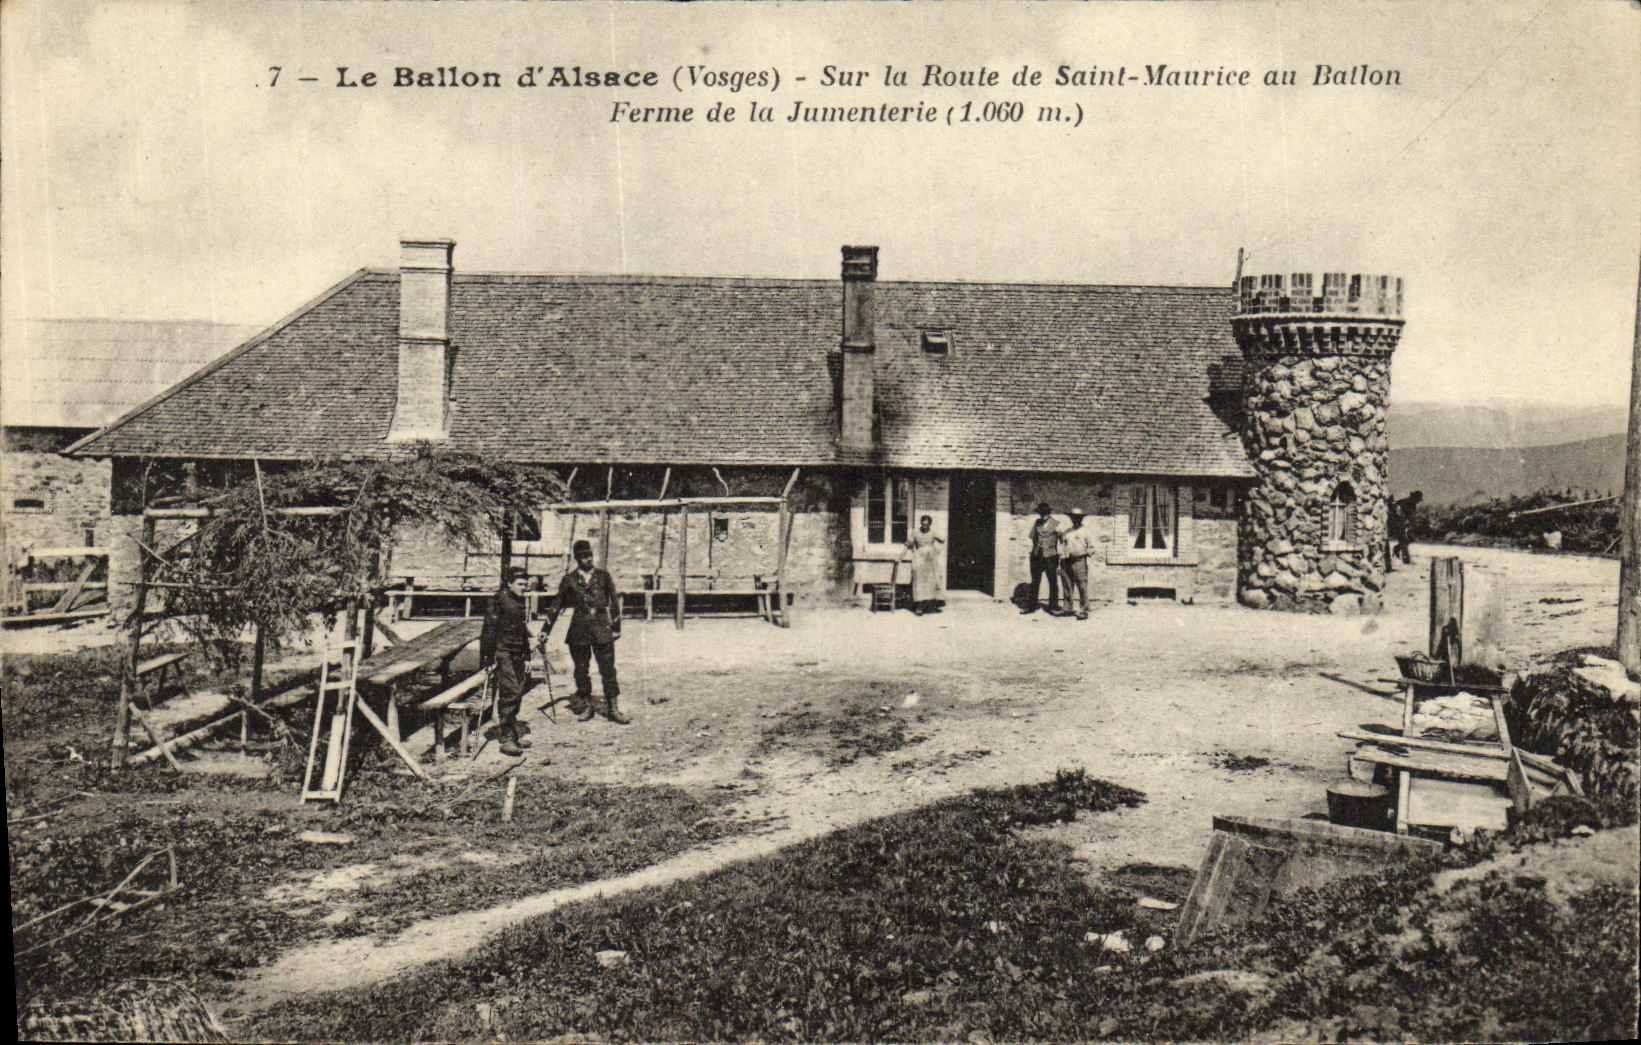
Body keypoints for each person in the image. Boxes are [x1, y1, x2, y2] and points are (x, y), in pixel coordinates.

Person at [542, 540, 626, 724]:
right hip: (579, 631)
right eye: (583, 556)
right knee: (581, 670)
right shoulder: (569, 580)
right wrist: (545, 631)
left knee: (608, 669)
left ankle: (613, 708)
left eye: (589, 555)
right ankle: (587, 705)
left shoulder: (603, 576)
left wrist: (616, 628)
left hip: (602, 629)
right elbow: (556, 605)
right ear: (577, 558)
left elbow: (613, 602)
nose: (587, 559)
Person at [480, 567, 535, 757]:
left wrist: (527, 655)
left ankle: (512, 732)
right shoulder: (499, 600)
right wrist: (487, 658)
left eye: (526, 585)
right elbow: (488, 629)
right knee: (510, 690)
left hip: (518, 651)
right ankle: (506, 738)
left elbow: (522, 629)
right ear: (509, 584)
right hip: (503, 651)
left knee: (518, 690)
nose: (524, 588)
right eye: (520, 584)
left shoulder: (519, 600)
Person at [897, 514, 946, 615]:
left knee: (932, 581)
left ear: (930, 525)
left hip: (931, 560)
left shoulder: (933, 532)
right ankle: (919, 607)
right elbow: (908, 545)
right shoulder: (915, 532)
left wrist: (937, 550)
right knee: (918, 581)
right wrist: (900, 557)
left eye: (927, 525)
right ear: (921, 524)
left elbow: (943, 540)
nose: (925, 527)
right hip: (919, 559)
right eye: (923, 525)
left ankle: (932, 605)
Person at [1023, 501, 1062, 614]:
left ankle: (1053, 606)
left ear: (1048, 513)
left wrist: (1060, 557)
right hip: (1037, 556)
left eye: (1044, 513)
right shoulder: (1037, 523)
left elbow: (1062, 542)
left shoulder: (1056, 524)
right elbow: (1032, 538)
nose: (1042, 515)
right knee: (1035, 582)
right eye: (1041, 513)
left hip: (1051, 556)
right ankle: (1032, 605)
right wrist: (1032, 551)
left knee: (1053, 582)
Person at [1059, 508, 1093, 620]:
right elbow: (1062, 546)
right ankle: (1067, 608)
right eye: (1074, 518)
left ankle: (1084, 610)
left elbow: (1092, 548)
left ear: (1081, 519)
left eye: (1078, 518)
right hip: (1067, 561)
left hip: (1079, 561)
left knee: (1082, 585)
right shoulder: (1067, 532)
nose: (1076, 520)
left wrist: (1083, 553)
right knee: (1067, 585)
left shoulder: (1086, 532)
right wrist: (1061, 558)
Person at [1391, 490, 1423, 566]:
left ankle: (1397, 548)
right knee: (1404, 540)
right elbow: (1398, 511)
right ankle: (1406, 560)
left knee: (1410, 538)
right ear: (1414, 498)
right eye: (1418, 500)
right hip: (1399, 523)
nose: (1418, 502)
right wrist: (1404, 524)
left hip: (1405, 523)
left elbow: (1411, 516)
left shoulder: (1412, 504)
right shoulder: (1405, 502)